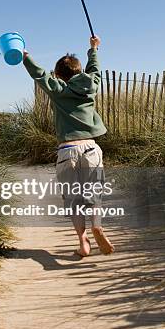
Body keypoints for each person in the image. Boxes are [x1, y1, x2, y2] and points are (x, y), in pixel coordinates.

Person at [23, 35, 115, 257]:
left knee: (73, 199)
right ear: (79, 71)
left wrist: (26, 57)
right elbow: (94, 69)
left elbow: (40, 75)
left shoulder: (59, 90)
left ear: (59, 76)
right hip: (91, 148)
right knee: (94, 193)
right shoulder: (92, 85)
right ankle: (97, 225)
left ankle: (83, 242)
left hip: (67, 150)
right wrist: (93, 49)